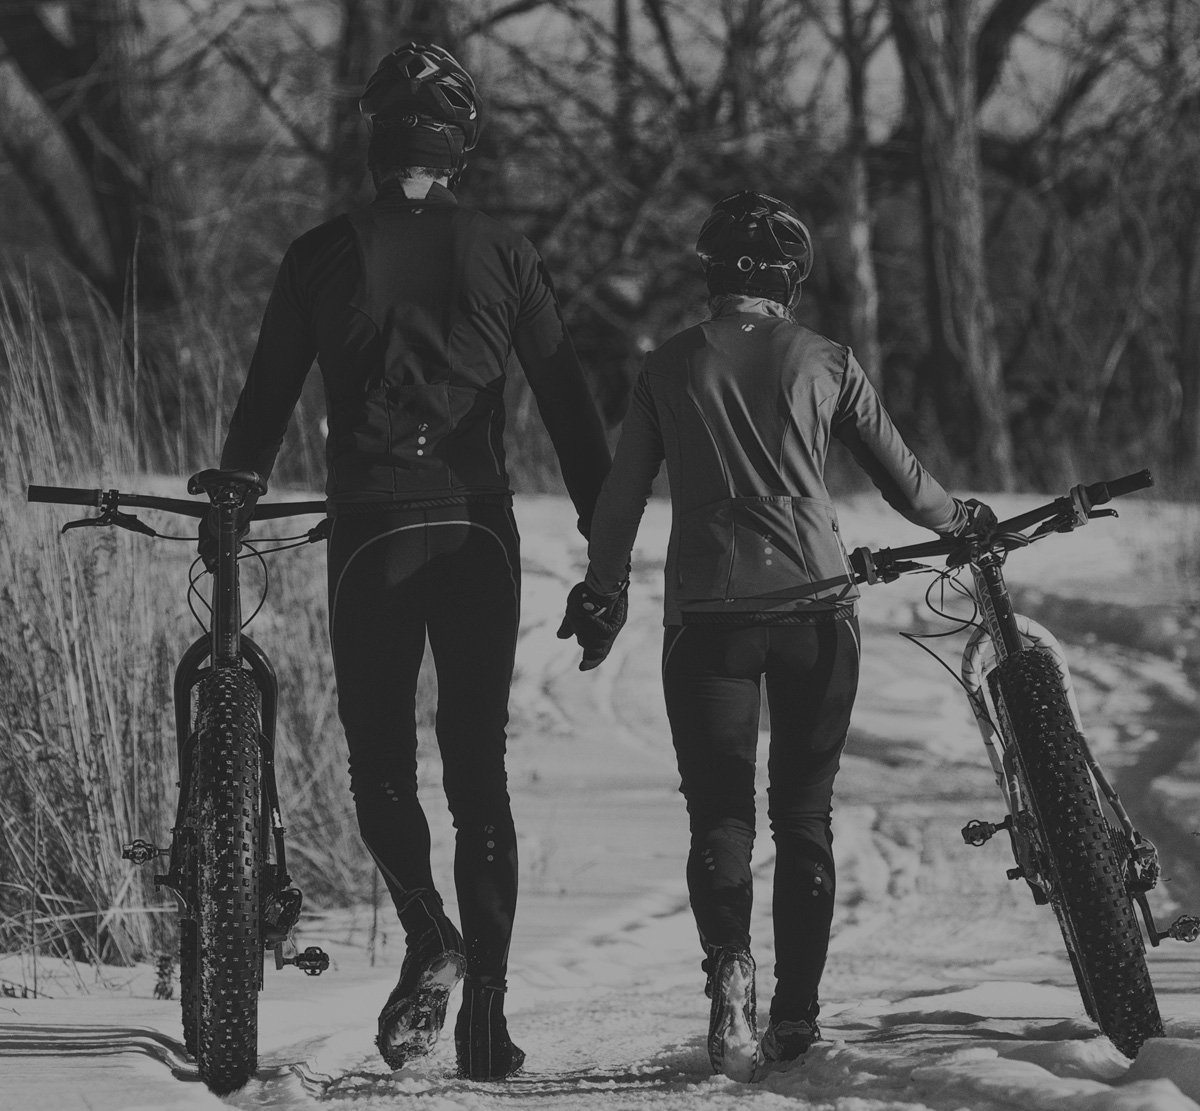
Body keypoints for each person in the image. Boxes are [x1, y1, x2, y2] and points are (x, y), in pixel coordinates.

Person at [210, 42, 611, 1080]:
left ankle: (429, 929)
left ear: (375, 143)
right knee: (479, 770)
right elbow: (572, 415)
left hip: (373, 530)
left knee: (381, 763)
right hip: (477, 530)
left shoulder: (318, 253)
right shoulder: (507, 253)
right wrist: (605, 560)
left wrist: (234, 494)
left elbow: (265, 401)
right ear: (461, 147)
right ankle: (486, 1025)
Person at [557, 191, 995, 1078]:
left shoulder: (668, 365)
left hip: (708, 618)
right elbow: (908, 483)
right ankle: (795, 1014)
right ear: (790, 280)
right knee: (803, 815)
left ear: (712, 277)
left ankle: (729, 962)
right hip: (816, 610)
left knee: (720, 812)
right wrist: (962, 520)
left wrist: (603, 592)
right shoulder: (827, 360)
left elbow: (620, 497)